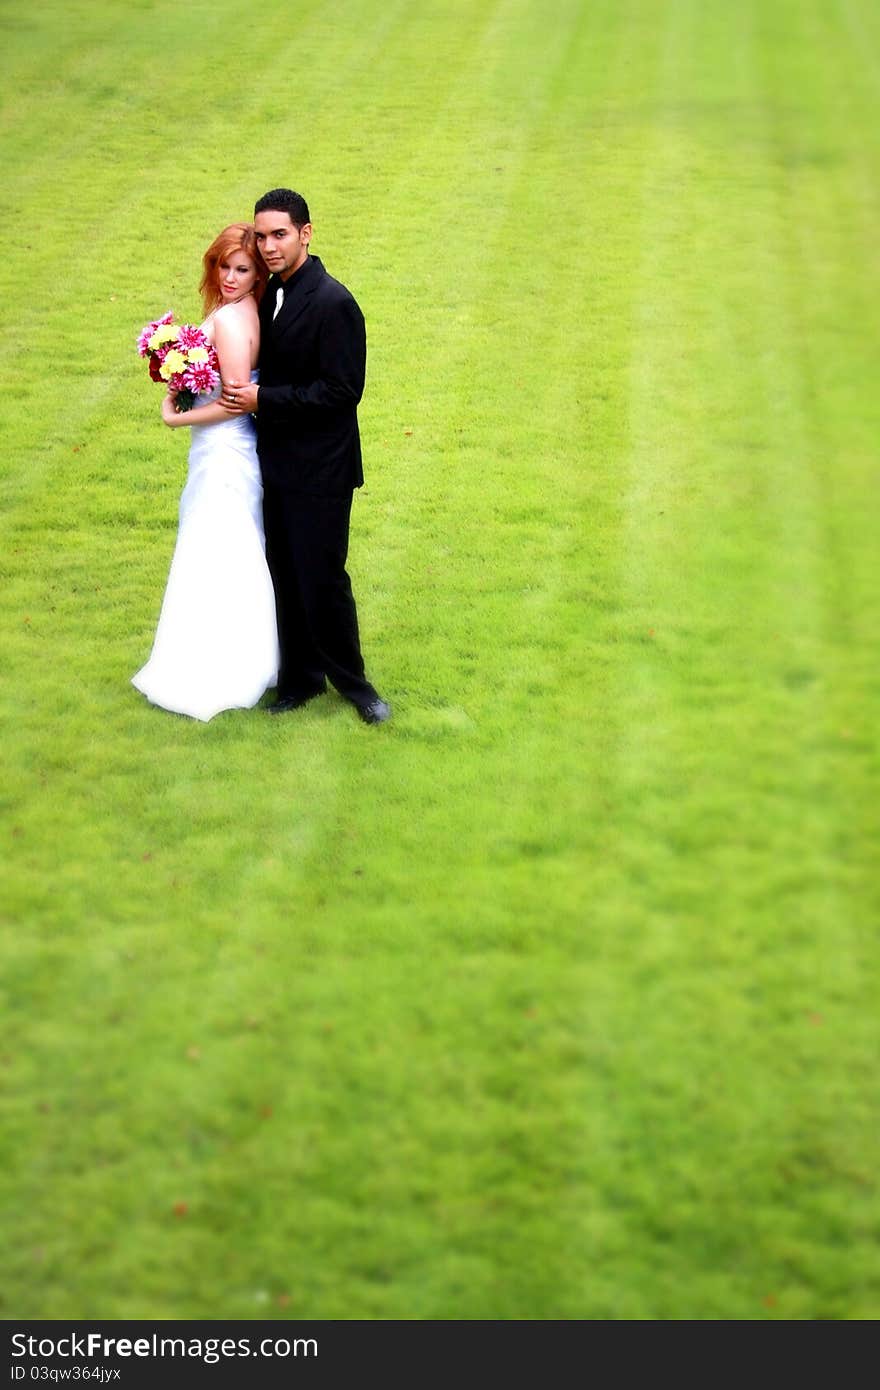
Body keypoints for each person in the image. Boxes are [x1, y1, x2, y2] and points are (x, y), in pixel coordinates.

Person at [220, 188, 390, 725]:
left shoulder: (335, 302)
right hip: (274, 462)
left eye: (280, 235)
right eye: (262, 235)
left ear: (306, 234)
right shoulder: (270, 294)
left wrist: (262, 399)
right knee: (284, 575)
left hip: (321, 469)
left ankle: (357, 686)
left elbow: (343, 391)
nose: (268, 246)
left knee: (321, 577)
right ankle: (300, 680)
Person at [132, 224, 279, 721]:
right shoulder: (250, 311)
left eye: (243, 269)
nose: (231, 277)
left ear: (257, 273)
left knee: (216, 546)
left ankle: (219, 667)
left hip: (223, 452)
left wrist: (178, 417)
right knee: (230, 542)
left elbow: (237, 398)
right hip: (224, 451)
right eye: (224, 266)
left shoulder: (235, 321)